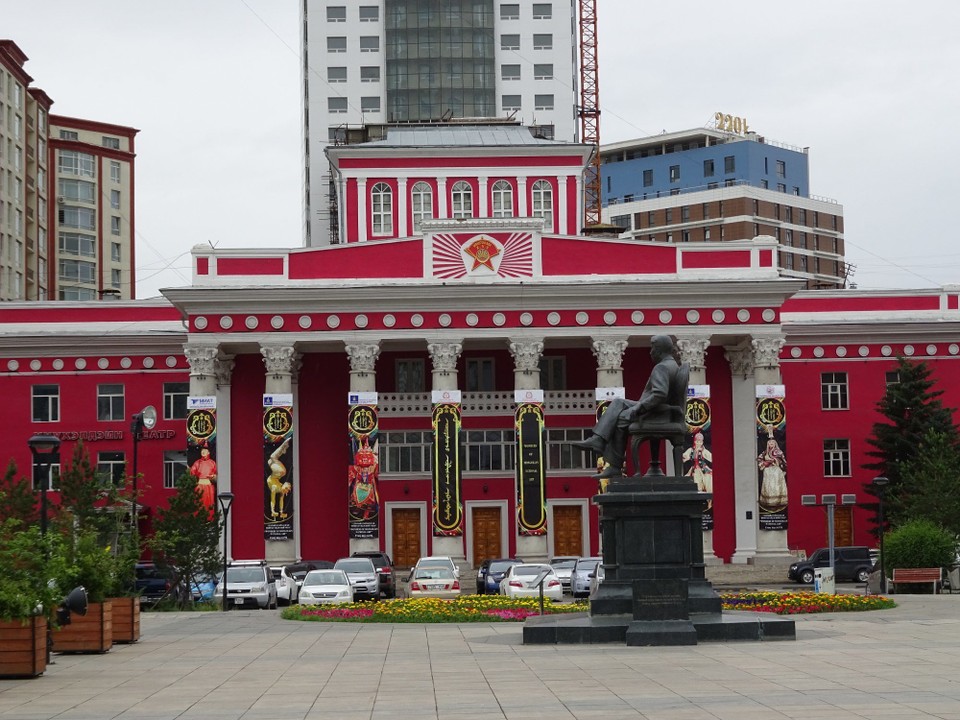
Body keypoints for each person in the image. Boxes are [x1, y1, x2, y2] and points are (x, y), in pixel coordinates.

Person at [574, 335, 684, 480]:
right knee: (618, 403)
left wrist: (637, 408)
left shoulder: (662, 367)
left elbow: (659, 395)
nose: (650, 352)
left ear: (659, 350)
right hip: (663, 411)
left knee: (621, 419)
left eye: (653, 348)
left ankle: (613, 464)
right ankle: (598, 440)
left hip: (655, 413)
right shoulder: (673, 365)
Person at [189, 440, 217, 520]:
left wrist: (213, 476)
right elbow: (192, 472)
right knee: (199, 504)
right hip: (199, 486)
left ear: (209, 452)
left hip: (209, 486)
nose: (203, 452)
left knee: (209, 505)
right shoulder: (197, 462)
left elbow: (216, 474)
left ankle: (210, 520)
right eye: (202, 450)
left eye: (205, 450)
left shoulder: (212, 463)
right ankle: (198, 520)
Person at [683, 431, 713, 504]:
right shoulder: (691, 450)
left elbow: (712, 458)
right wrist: (686, 458)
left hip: (704, 470)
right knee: (697, 486)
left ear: (702, 442)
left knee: (709, 484)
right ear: (694, 441)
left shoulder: (704, 451)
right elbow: (684, 456)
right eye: (697, 441)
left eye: (700, 441)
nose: (698, 443)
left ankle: (709, 503)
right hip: (695, 471)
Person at [757, 435, 787, 508]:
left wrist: (775, 461)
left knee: (776, 485)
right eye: (769, 443)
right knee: (768, 486)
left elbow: (784, 461)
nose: (771, 444)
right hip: (768, 471)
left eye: (772, 443)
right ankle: (768, 501)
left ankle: (778, 501)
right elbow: (759, 459)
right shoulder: (765, 452)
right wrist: (763, 463)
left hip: (776, 470)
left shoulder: (779, 452)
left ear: (775, 443)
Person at [266, 437, 293, 519]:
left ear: (286, 490)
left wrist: (272, 511)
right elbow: (281, 502)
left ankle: (283, 447)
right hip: (278, 474)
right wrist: (281, 511)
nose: (287, 484)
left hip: (276, 475)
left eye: (287, 487)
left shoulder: (275, 488)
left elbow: (273, 499)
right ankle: (283, 448)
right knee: (273, 458)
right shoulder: (281, 486)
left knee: (272, 458)